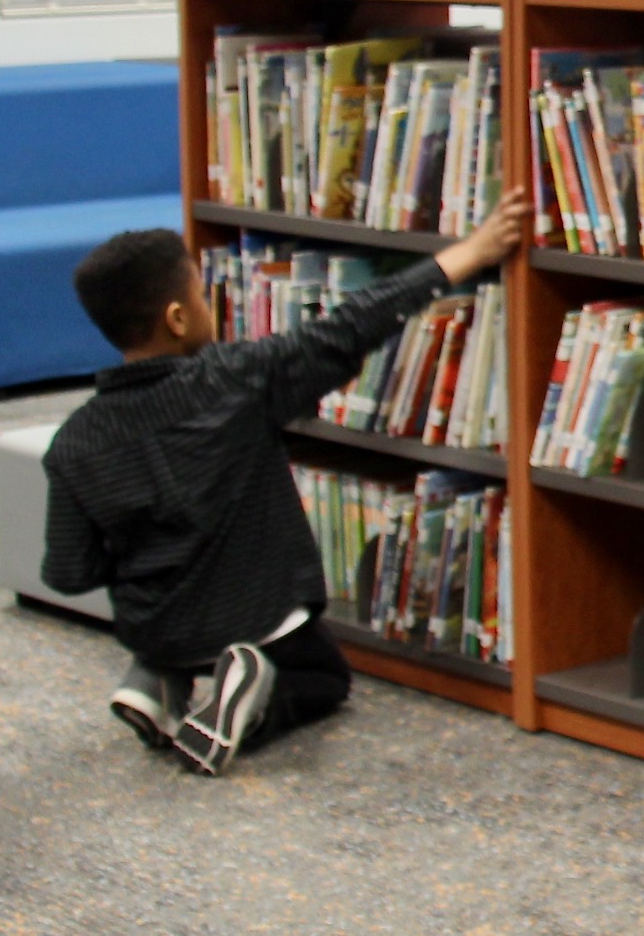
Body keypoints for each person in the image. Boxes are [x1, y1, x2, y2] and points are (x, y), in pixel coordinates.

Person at [42, 191, 529, 775]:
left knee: (171, 627)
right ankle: (251, 693)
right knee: (324, 677)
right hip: (257, 621)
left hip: (158, 627)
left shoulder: (75, 440)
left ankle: (158, 681)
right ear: (177, 318)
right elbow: (349, 328)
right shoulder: (237, 379)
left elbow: (68, 574)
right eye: (200, 295)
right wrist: (468, 254)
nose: (206, 305)